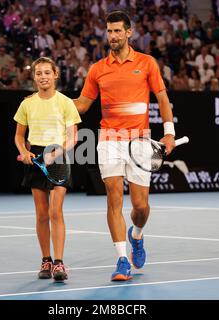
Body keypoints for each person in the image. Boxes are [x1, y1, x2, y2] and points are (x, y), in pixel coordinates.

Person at [73, 11, 176, 281]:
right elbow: (83, 105)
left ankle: (137, 235)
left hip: (140, 140)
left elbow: (162, 98)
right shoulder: (97, 69)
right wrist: (53, 104)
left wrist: (169, 133)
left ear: (129, 32)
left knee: (141, 207)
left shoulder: (146, 63)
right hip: (109, 139)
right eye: (109, 31)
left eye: (118, 31)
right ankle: (121, 259)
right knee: (114, 197)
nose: (113, 36)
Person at [14, 57, 81, 282]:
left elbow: (74, 137)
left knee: (55, 212)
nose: (43, 76)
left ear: (55, 75)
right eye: (39, 73)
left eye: (46, 72)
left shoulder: (65, 103)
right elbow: (19, 136)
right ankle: (46, 259)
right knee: (42, 214)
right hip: (35, 159)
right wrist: (24, 152)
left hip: (58, 155)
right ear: (34, 77)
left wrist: (56, 154)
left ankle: (59, 263)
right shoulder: (27, 103)